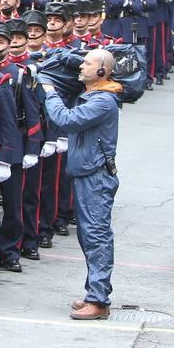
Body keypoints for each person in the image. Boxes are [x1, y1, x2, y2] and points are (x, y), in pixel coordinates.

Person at [40, 48, 122, 320]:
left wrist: (50, 92)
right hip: (87, 172)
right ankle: (94, 293)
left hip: (96, 176)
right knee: (88, 235)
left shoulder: (103, 101)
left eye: (88, 64)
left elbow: (66, 120)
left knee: (96, 236)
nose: (81, 67)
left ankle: (98, 300)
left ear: (102, 71)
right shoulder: (93, 95)